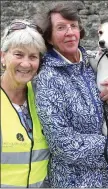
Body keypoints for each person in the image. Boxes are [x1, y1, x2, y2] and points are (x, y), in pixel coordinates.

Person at [33, 2, 108, 188]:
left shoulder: (96, 58)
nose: (70, 32)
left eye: (74, 26)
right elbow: (64, 145)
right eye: (61, 28)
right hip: (78, 182)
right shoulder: (47, 79)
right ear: (50, 38)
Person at [1, 19, 49, 187]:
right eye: (18, 54)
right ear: (2, 56)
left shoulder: (43, 95)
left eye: (33, 56)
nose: (26, 63)